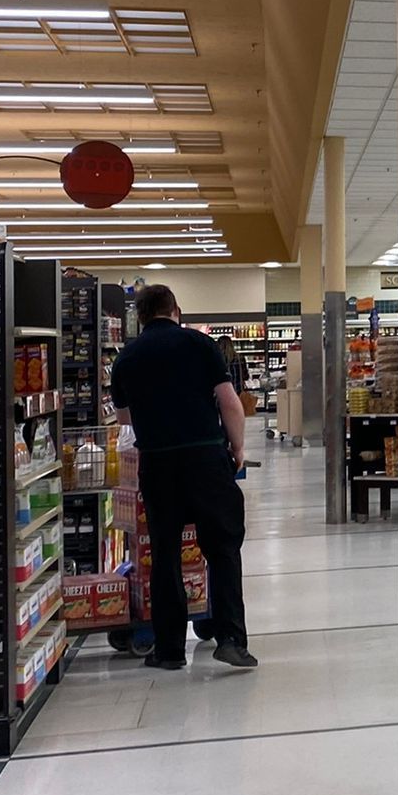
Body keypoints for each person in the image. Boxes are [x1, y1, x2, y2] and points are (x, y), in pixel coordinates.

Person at [110, 285, 256, 671]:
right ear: (176, 310)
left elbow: (125, 421)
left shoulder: (126, 358)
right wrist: (237, 449)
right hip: (206, 458)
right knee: (222, 547)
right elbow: (230, 403)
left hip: (157, 464)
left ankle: (169, 648)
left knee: (165, 554)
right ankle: (230, 640)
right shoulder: (200, 345)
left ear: (140, 317)